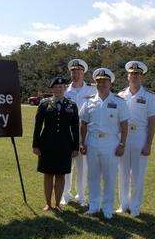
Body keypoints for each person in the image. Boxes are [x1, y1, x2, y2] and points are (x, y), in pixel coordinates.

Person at [79, 68, 129, 219]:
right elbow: (83, 123)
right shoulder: (89, 101)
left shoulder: (119, 102)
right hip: (92, 140)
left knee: (109, 176)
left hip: (111, 142)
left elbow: (125, 125)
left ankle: (107, 208)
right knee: (92, 176)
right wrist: (82, 142)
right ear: (96, 83)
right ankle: (94, 206)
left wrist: (122, 144)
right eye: (99, 81)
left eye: (104, 81)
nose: (101, 84)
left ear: (110, 83)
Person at [117, 61, 155, 217]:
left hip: (139, 137)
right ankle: (123, 204)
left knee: (137, 175)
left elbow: (152, 123)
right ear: (127, 76)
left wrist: (148, 144)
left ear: (141, 77)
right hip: (123, 137)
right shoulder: (120, 95)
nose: (134, 76)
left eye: (137, 74)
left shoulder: (149, 96)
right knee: (122, 173)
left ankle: (135, 207)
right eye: (132, 73)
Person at [33, 76, 80, 212]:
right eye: (56, 87)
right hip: (46, 145)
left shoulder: (72, 105)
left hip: (65, 146)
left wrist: (75, 147)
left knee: (61, 175)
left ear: (65, 88)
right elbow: (38, 126)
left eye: (61, 87)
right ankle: (48, 203)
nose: (58, 89)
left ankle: (58, 203)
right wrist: (35, 145)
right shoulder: (44, 104)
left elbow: (75, 129)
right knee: (48, 174)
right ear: (52, 89)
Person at [62, 58, 96, 207]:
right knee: (66, 165)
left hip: (84, 133)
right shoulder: (64, 90)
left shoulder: (91, 90)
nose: (75, 74)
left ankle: (81, 196)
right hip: (67, 133)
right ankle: (65, 195)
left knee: (83, 167)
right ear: (70, 74)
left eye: (78, 72)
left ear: (83, 73)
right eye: (73, 72)